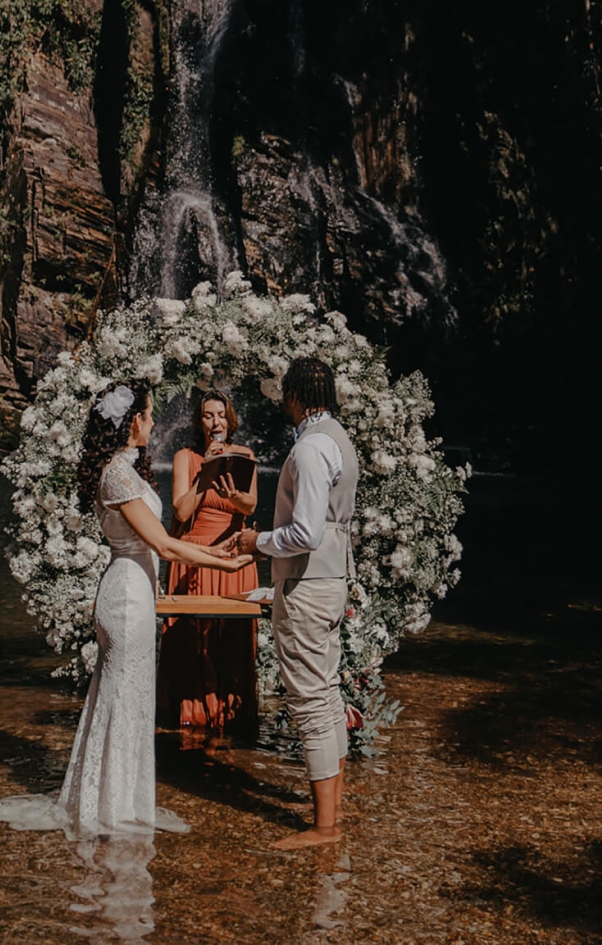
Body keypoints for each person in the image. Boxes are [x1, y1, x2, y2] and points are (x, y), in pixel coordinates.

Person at [0, 380, 251, 837]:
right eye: (148, 413)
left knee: (131, 699)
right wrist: (220, 557)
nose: (155, 421)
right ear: (132, 421)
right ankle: (110, 807)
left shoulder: (127, 471)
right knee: (122, 699)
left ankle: (117, 799)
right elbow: (162, 544)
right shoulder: (116, 476)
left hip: (135, 591)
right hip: (124, 597)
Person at [232, 357, 358, 850]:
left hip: (307, 586)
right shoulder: (341, 442)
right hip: (333, 580)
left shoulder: (309, 449)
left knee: (308, 700)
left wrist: (255, 542)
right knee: (326, 694)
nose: (283, 402)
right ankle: (332, 813)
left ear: (296, 396)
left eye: (285, 394)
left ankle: (323, 828)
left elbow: (304, 533)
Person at [157, 389, 259, 734]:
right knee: (192, 638)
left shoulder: (246, 455)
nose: (215, 421)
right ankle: (189, 715)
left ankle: (231, 714)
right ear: (199, 422)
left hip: (233, 553)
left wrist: (235, 496)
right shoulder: (186, 457)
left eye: (220, 415)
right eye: (207, 415)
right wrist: (207, 471)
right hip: (197, 554)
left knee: (231, 638)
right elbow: (181, 511)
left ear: (229, 420)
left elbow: (250, 508)